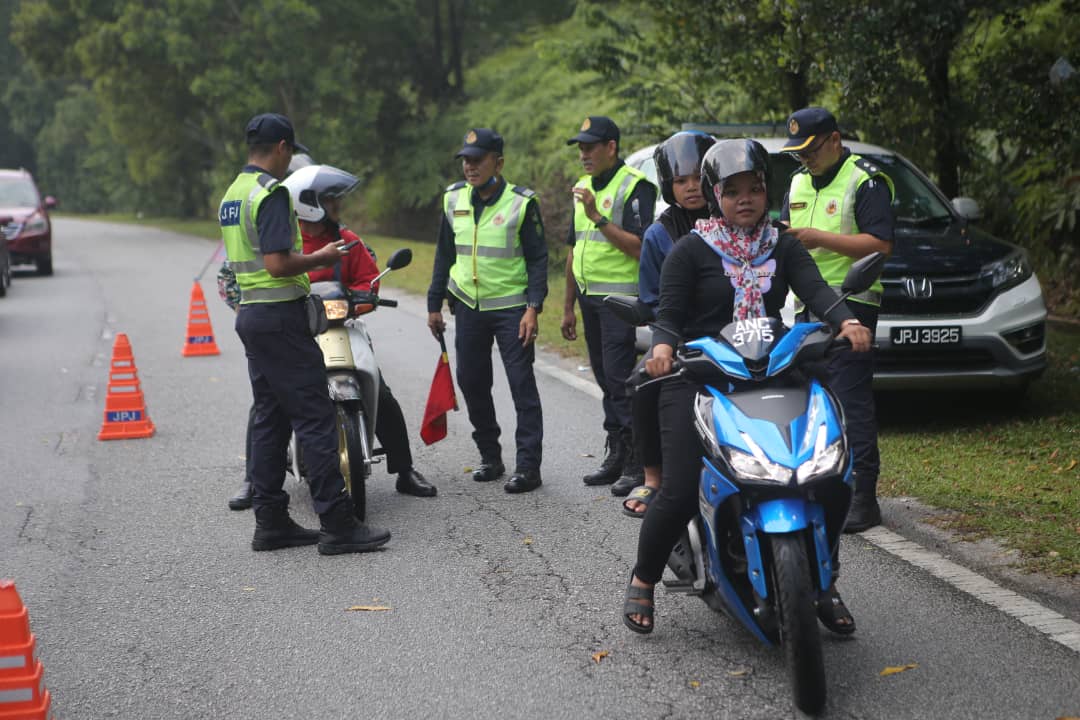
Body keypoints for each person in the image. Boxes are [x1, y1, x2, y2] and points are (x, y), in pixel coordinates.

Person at [622, 139, 872, 635]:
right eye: (732, 190)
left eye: (754, 188)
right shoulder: (691, 249)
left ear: (767, 191)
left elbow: (816, 290)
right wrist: (663, 349)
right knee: (676, 491)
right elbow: (668, 317)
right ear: (715, 196)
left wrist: (846, 321)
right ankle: (643, 579)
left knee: (830, 473)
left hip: (773, 368)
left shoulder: (782, 242)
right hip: (698, 375)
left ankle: (823, 577)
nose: (745, 199)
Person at [220, 112, 390, 554]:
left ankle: (271, 520)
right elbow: (278, 263)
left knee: (269, 418)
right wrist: (322, 257)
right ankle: (338, 524)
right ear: (281, 148)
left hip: (252, 316)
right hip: (281, 316)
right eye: (289, 152)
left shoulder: (232, 194)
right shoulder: (271, 193)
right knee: (315, 416)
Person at [283, 163, 437, 498]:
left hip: (344, 326)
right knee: (272, 402)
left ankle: (404, 469)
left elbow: (368, 279)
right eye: (331, 199)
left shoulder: (348, 241)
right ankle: (255, 479)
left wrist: (367, 295)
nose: (338, 206)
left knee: (381, 394)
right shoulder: (288, 243)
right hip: (301, 332)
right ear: (310, 202)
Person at [780, 107, 895, 533]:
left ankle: (864, 495)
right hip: (805, 307)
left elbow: (881, 244)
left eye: (811, 150)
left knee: (851, 400)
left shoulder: (863, 179)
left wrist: (817, 238)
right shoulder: (796, 182)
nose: (805, 159)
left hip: (853, 303)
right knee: (809, 401)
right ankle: (823, 482)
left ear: (834, 139)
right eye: (799, 152)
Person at [427, 128, 547, 494]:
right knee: (472, 383)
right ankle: (490, 457)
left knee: (521, 387)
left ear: (499, 162)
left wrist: (533, 308)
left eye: (478, 159)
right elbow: (444, 254)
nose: (470, 166)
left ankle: (528, 467)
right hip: (468, 307)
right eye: (466, 159)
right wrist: (434, 303)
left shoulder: (521, 203)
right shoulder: (452, 199)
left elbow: (538, 259)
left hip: (512, 309)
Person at [619, 131, 715, 516]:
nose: (692, 188)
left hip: (737, 337)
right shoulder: (659, 234)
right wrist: (668, 340)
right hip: (680, 339)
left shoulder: (742, 225)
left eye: (698, 178)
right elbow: (652, 300)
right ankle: (652, 476)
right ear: (668, 186)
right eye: (681, 181)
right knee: (641, 383)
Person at [560, 116, 656, 490]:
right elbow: (574, 249)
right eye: (580, 147)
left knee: (620, 379)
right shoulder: (582, 187)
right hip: (588, 297)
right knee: (604, 376)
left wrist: (597, 217)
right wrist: (568, 304)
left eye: (590, 146)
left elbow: (640, 247)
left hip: (620, 299)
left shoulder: (634, 186)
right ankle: (616, 452)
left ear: (611, 147)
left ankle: (637, 459)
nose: (583, 154)